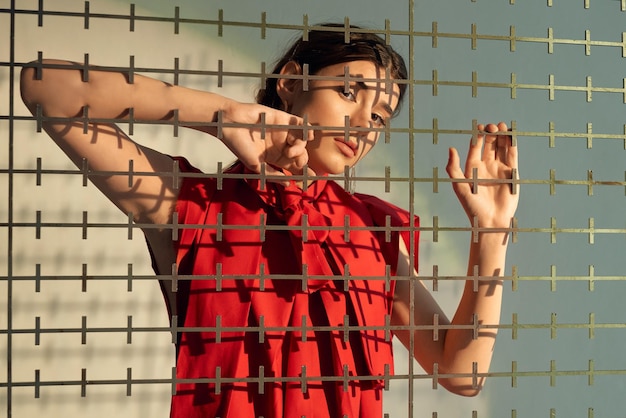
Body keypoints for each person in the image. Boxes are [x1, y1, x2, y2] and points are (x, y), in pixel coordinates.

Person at [20, 24, 519, 418]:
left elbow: (461, 370)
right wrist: (221, 115)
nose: (364, 123)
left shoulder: (375, 235)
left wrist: (491, 235)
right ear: (291, 81)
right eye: (349, 92)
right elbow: (47, 87)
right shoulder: (195, 202)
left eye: (380, 116)